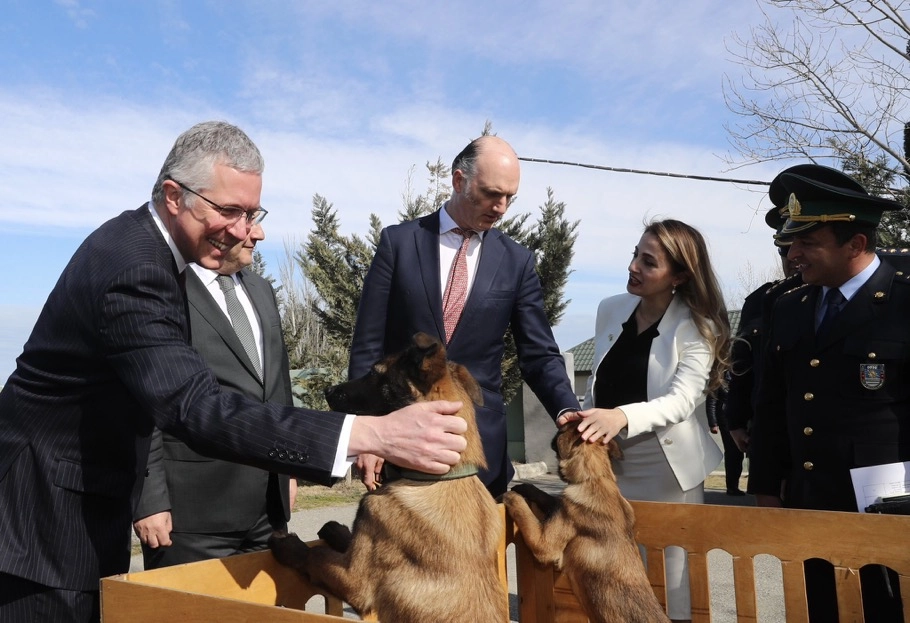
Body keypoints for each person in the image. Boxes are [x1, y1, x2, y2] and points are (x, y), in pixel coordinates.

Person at [0, 121, 468, 622]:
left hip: (80, 505)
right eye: (229, 211)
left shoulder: (155, 254)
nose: (249, 230)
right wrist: (372, 432)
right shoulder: (134, 268)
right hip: (45, 521)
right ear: (174, 196)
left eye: (252, 213)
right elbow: (192, 405)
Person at [348, 135, 580, 497]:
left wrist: (566, 409)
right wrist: (367, 431)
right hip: (403, 436)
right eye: (492, 194)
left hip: (479, 449)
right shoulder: (399, 243)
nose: (501, 207)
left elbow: (538, 353)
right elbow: (368, 345)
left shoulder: (517, 262)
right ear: (459, 181)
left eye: (509, 198)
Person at [750, 164, 908, 622]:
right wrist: (765, 486)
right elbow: (770, 402)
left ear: (856, 244)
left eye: (807, 243)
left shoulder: (903, 303)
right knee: (818, 609)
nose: (792, 252)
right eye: (790, 241)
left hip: (888, 515)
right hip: (808, 501)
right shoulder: (789, 306)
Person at [562, 219, 730, 623]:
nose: (634, 266)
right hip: (608, 467)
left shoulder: (698, 326)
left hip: (666, 473)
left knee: (672, 588)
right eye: (635, 254)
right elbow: (601, 383)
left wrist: (619, 416)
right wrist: (584, 415)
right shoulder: (611, 309)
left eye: (649, 261)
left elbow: (680, 402)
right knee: (615, 579)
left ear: (681, 275)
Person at [132, 220, 297, 568]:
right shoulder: (163, 289)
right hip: (190, 517)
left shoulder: (262, 290)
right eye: (250, 224)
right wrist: (149, 499)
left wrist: (289, 470)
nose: (261, 235)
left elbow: (278, 388)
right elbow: (143, 404)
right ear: (217, 230)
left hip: (268, 510)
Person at [725, 202, 800, 472]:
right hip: (768, 433)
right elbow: (741, 365)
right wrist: (734, 420)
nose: (793, 257)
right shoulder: (761, 300)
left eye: (803, 244)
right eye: (784, 250)